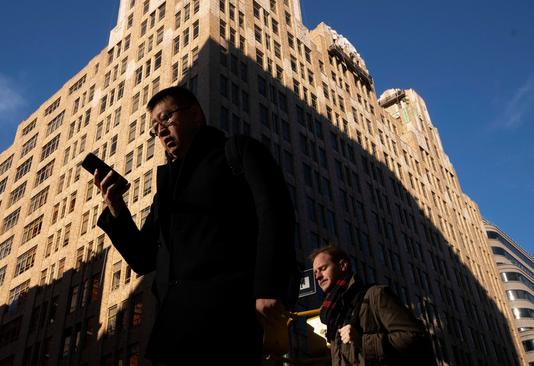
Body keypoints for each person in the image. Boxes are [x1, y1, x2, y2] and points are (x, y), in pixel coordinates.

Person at [93, 86, 297, 365]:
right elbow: (143, 258)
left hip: (227, 318)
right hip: (172, 331)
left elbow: (275, 213)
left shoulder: (237, 151)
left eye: (166, 118)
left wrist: (268, 287)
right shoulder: (165, 189)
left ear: (195, 115)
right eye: (155, 128)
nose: (161, 130)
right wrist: (116, 205)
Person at [311, 245, 435, 365]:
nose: (318, 276)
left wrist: (361, 340)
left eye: (323, 269)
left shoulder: (376, 295)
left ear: (343, 265)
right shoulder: (334, 314)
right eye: (315, 272)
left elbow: (415, 337)